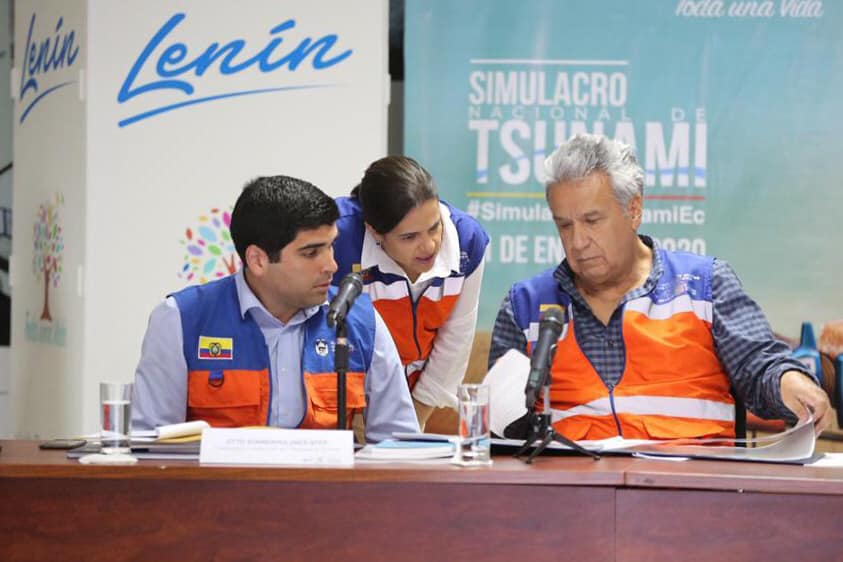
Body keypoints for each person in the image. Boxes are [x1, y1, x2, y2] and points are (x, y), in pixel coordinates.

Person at [488, 134, 831, 441]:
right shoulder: (525, 306)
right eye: (564, 225)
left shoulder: (706, 286)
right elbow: (499, 426)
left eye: (592, 221)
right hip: (570, 487)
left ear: (634, 210)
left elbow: (758, 365)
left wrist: (790, 381)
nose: (577, 242)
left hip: (691, 484)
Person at [132, 175, 419, 442]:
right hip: (218, 483)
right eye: (311, 253)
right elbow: (152, 450)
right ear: (258, 260)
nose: (332, 265)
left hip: (325, 482)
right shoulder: (180, 320)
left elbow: (400, 445)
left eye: (331, 246)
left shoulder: (359, 319)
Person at [333, 156, 489, 429]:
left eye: (435, 227)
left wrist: (414, 421)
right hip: (346, 393)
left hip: (416, 391)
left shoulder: (467, 240)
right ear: (374, 232)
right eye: (409, 237)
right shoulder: (338, 239)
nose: (429, 246)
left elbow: (456, 340)